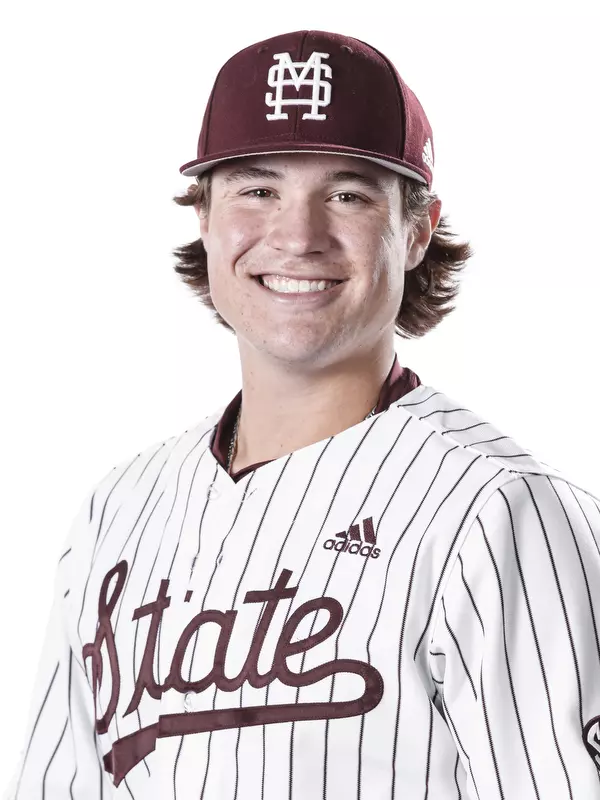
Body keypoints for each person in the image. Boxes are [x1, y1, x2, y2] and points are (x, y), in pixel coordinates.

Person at [5, 28, 600, 800]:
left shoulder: (499, 510)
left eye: (348, 194)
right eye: (258, 191)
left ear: (417, 230)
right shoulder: (117, 510)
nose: (298, 236)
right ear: (205, 218)